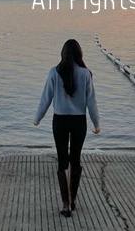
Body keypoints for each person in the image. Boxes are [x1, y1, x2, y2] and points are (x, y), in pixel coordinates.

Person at [33, 39, 100, 217]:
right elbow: (91, 102)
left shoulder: (54, 71)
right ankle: (73, 199)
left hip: (60, 121)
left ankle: (65, 205)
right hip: (79, 121)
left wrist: (38, 118)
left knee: (62, 159)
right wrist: (97, 123)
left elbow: (46, 97)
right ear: (79, 54)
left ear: (63, 53)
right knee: (75, 159)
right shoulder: (86, 73)